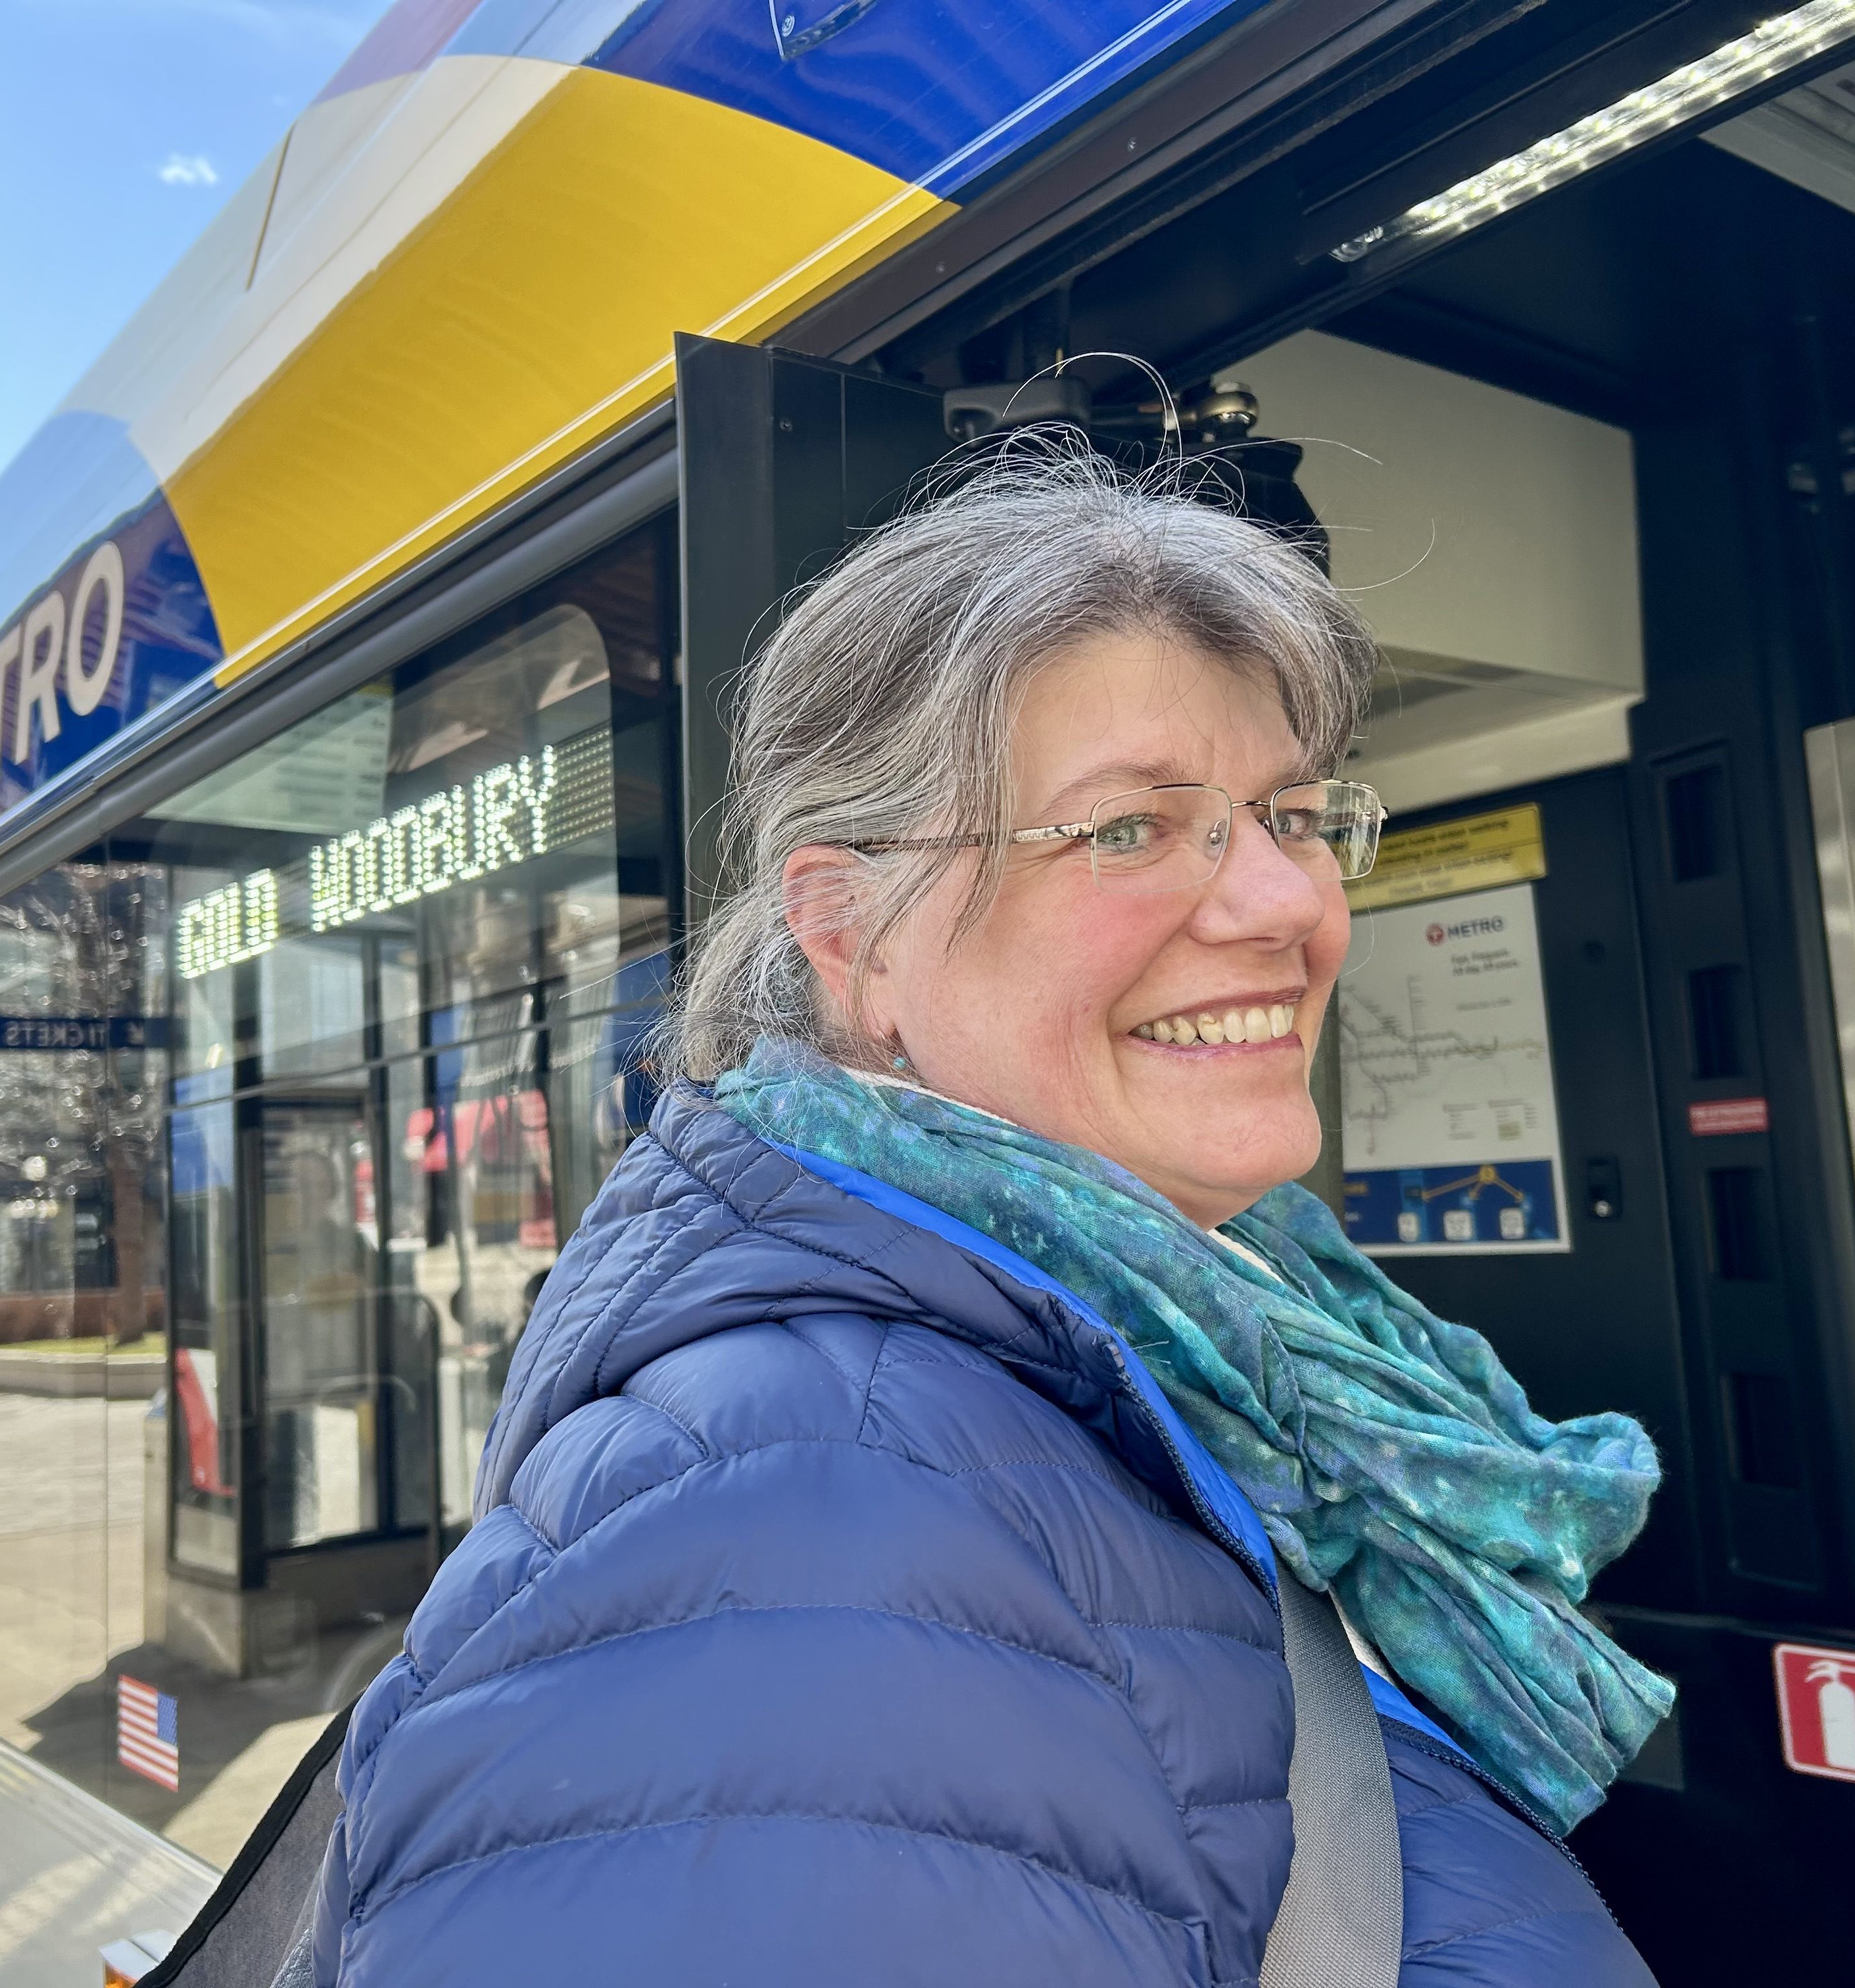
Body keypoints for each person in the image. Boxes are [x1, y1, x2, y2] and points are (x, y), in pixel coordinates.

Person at [312, 440, 1672, 1985]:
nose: (1291, 908)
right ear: (854, 939)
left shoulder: (1204, 1369)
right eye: (1128, 831)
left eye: (1293, 817)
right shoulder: (794, 1513)